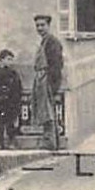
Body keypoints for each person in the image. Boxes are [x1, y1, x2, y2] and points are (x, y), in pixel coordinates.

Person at [30, 14, 66, 150]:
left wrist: (53, 86)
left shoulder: (52, 42)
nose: (40, 28)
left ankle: (50, 142)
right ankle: (51, 142)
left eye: (42, 25)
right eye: (37, 25)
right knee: (44, 111)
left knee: (48, 113)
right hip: (41, 79)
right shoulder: (44, 41)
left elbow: (56, 65)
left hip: (47, 81)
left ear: (49, 26)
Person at [0, 49, 24, 148]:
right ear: (1, 60)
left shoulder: (14, 74)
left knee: (10, 123)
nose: (11, 62)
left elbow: (18, 89)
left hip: (10, 102)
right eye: (8, 59)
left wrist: (16, 102)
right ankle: (0, 142)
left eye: (11, 59)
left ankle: (11, 141)